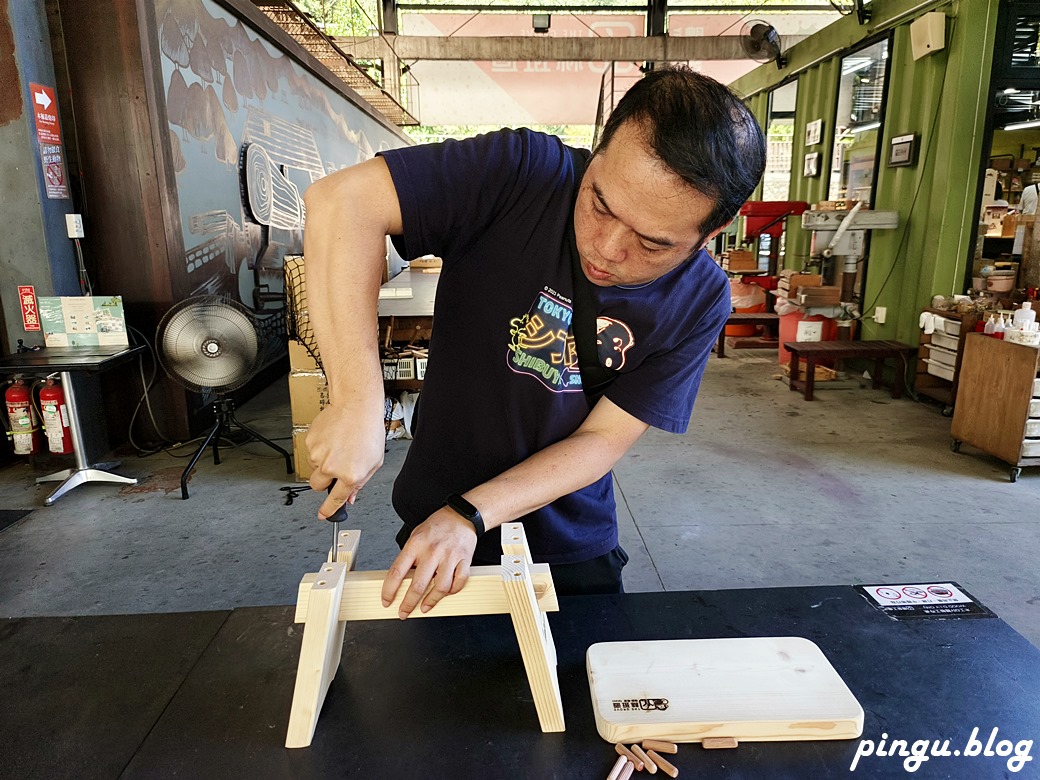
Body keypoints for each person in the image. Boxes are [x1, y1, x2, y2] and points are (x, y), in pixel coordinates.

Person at [302, 66, 766, 618]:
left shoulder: (699, 299)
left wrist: (471, 514)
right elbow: (342, 201)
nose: (609, 249)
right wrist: (355, 398)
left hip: (569, 540)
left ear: (711, 234)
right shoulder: (522, 172)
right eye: (600, 203)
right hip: (433, 520)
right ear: (597, 154)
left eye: (651, 242)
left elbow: (602, 441)